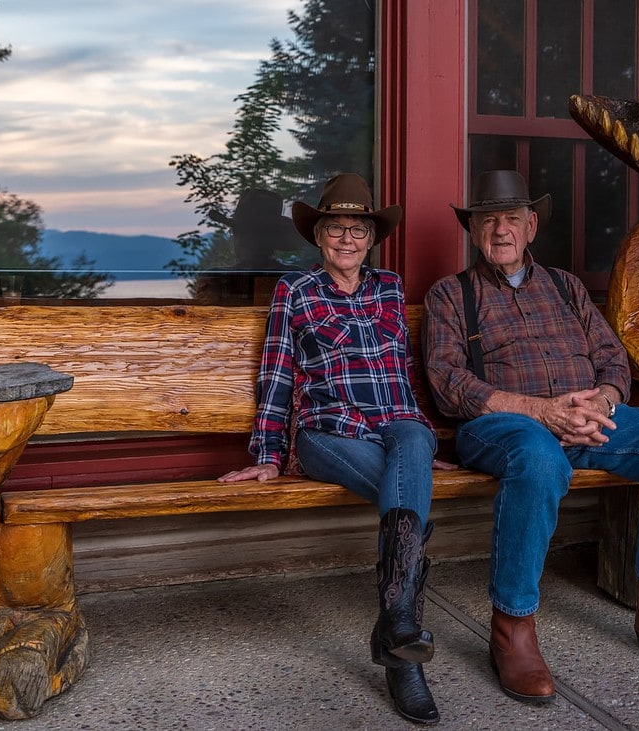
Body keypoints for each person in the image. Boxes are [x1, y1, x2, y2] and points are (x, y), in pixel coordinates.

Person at [422, 170, 639, 706]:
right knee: (541, 459)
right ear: (473, 230)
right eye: (489, 219)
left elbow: (612, 358)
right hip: (502, 425)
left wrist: (601, 404)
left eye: (512, 219)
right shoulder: (451, 295)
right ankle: (512, 630)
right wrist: (543, 412)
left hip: (588, 417)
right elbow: (451, 384)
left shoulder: (565, 286)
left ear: (532, 226)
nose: (501, 230)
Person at [219, 173, 441, 725]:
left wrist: (422, 448)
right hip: (326, 434)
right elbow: (275, 376)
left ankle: (396, 629)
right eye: (336, 228)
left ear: (372, 237)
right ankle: (402, 649)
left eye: (358, 228)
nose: (347, 238)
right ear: (319, 237)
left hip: (396, 428)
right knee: (411, 497)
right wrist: (268, 455)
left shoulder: (389, 287)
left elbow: (405, 373)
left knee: (415, 436)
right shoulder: (294, 293)